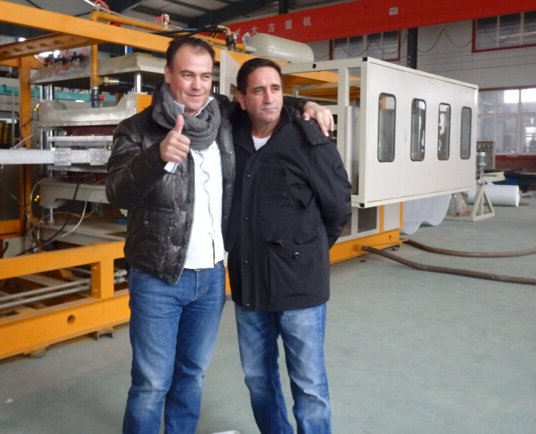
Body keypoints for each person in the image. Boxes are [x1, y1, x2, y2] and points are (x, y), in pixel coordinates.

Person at [106, 38, 333, 434]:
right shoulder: (137, 129)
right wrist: (156, 157)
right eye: (187, 75)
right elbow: (117, 193)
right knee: (151, 383)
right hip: (158, 277)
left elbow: (262, 99)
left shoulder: (222, 118)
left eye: (205, 76)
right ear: (168, 75)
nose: (197, 85)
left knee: (191, 375)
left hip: (211, 277)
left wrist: (306, 104)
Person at [226, 58, 352, 434]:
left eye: (276, 89)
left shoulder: (309, 139)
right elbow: (202, 100)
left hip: (300, 290)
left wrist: (305, 252)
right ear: (241, 98)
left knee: (309, 386)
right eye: (258, 90)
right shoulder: (230, 132)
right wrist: (303, 101)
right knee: (257, 379)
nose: (269, 98)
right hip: (249, 285)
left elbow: (338, 208)